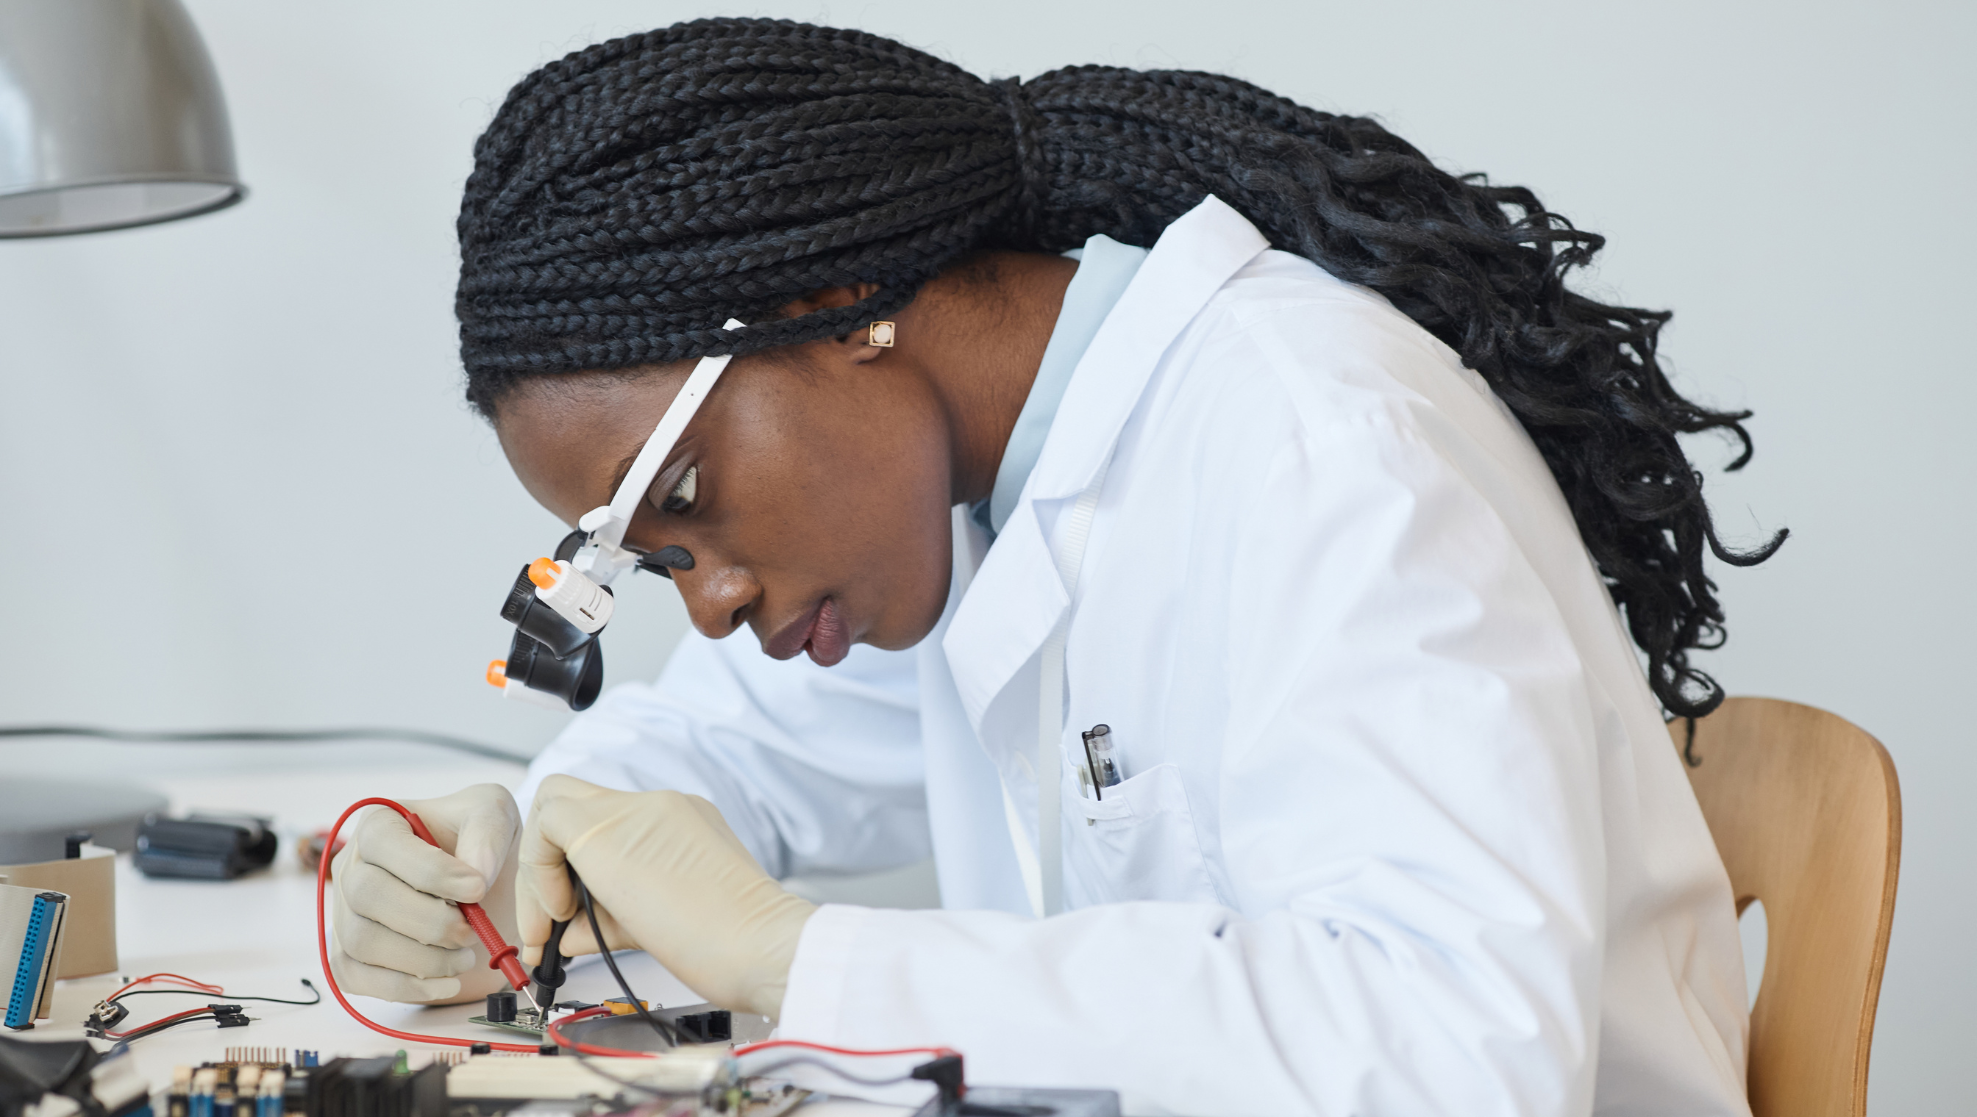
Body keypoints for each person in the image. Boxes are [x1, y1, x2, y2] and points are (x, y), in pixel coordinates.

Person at [328, 18, 1784, 1116]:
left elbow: (1461, 1056)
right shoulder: (969, 500)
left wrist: (802, 965)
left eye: (691, 503)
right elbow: (725, 757)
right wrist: (520, 844)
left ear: (838, 304)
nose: (711, 601)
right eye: (655, 566)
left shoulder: (1319, 448)